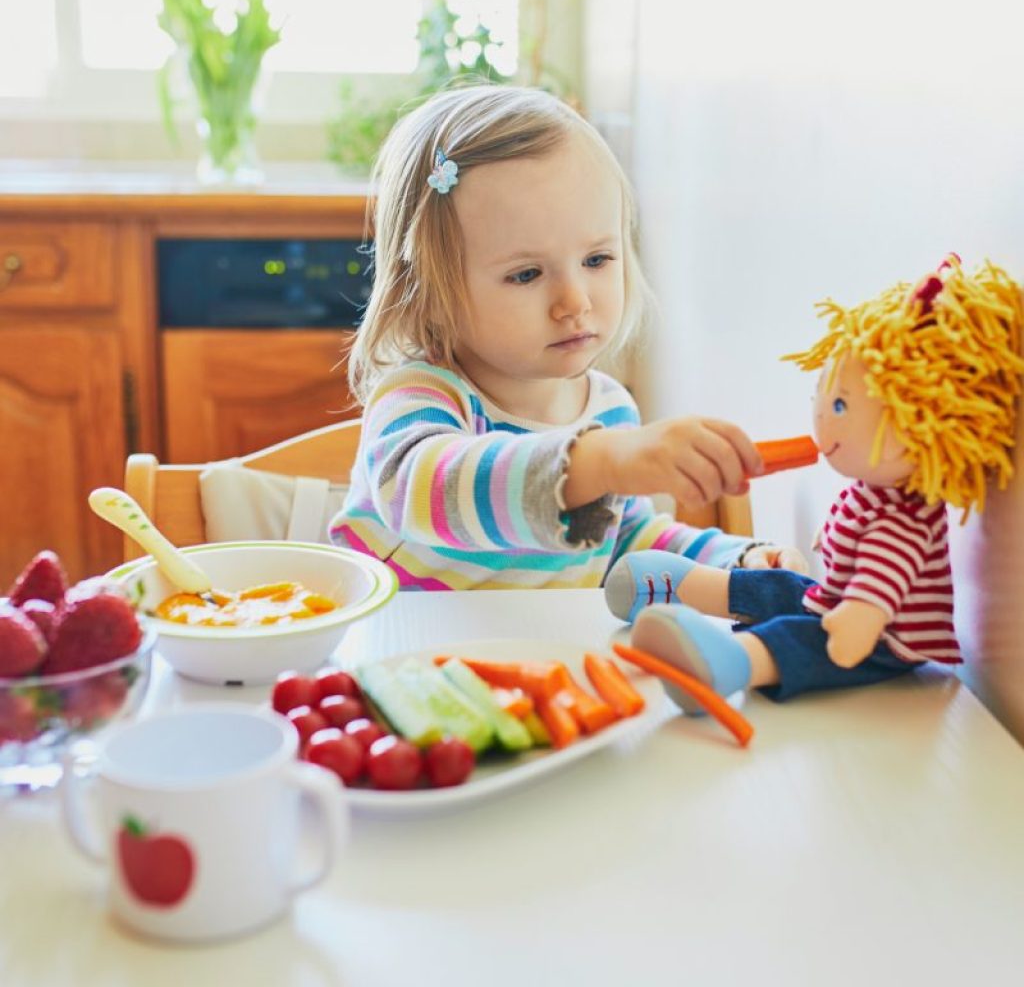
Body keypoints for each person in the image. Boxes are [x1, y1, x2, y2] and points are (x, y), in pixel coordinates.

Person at [330, 83, 807, 590]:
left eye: (597, 260)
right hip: (400, 659)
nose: (574, 301)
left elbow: (626, 541)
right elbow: (425, 492)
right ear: (430, 290)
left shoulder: (608, 409)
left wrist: (738, 559)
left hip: (537, 659)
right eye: (527, 274)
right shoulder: (422, 397)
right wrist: (603, 461)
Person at [605, 255, 1024, 710]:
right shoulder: (876, 492)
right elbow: (854, 526)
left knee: (802, 637)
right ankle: (679, 585)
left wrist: (858, 620)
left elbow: (883, 579)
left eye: (840, 407)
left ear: (921, 424)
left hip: (880, 640)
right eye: (821, 396)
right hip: (836, 601)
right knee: (780, 586)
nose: (822, 418)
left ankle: (730, 661)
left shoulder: (906, 520)